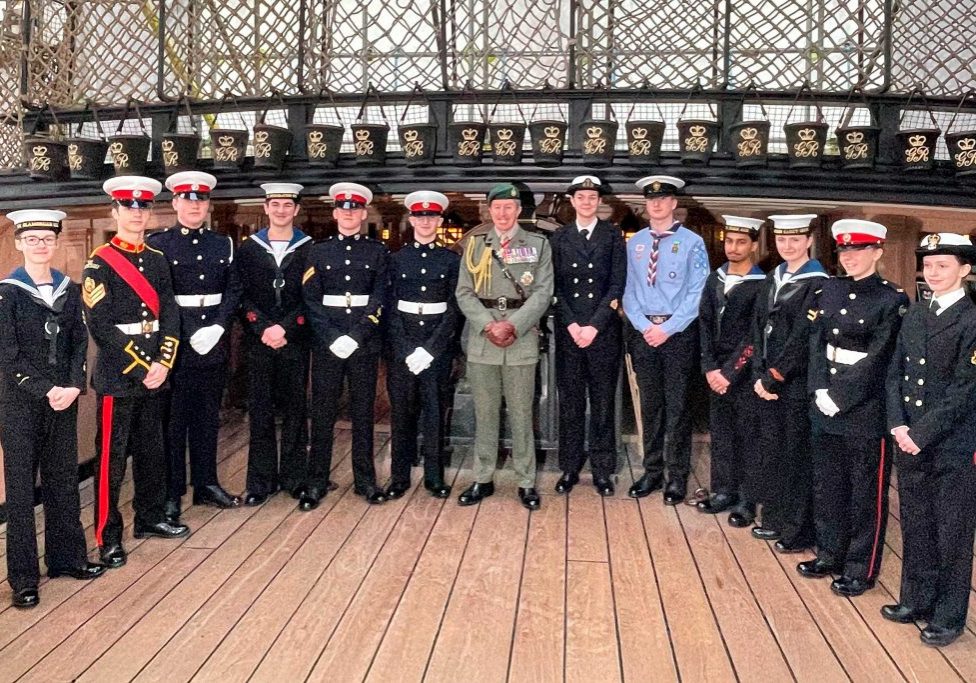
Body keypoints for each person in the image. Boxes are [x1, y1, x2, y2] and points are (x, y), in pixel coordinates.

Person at [0, 210, 106, 609]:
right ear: (19, 244)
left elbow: (80, 342)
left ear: (56, 242)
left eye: (47, 238)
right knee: (23, 492)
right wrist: (47, 389)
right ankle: (24, 579)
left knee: (62, 481)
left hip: (61, 398)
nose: (41, 245)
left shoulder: (69, 289)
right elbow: (7, 357)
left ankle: (68, 559)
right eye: (33, 239)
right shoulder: (7, 293)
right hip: (20, 404)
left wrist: (74, 385)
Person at [82, 177, 189, 569]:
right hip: (118, 377)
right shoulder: (99, 262)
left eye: (142, 208)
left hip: (155, 374)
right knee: (111, 461)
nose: (136, 214)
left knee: (152, 452)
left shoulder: (157, 259)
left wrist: (163, 362)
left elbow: (170, 314)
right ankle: (108, 538)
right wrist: (144, 367)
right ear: (115, 212)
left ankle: (150, 517)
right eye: (128, 208)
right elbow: (101, 324)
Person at [799, 220, 908, 597]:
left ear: (877, 252)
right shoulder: (828, 289)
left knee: (865, 495)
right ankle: (830, 554)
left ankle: (860, 569)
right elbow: (814, 344)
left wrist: (839, 397)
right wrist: (817, 390)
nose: (850, 257)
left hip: (863, 413)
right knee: (828, 488)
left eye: (858, 250)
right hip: (823, 403)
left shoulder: (892, 298)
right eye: (844, 251)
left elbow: (881, 358)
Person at [882, 232, 976, 647]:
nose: (933, 272)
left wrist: (919, 434)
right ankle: (915, 599)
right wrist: (899, 425)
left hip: (951, 443)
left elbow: (965, 390)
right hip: (910, 439)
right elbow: (896, 374)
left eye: (943, 265)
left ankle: (948, 616)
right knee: (917, 523)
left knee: (952, 531)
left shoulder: (972, 321)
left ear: (966, 270)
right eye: (928, 265)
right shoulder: (916, 313)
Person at [147, 171, 242, 522]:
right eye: (187, 200)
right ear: (174, 204)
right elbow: (158, 297)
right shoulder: (158, 244)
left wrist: (218, 326)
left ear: (208, 205)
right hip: (176, 346)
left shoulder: (224, 244)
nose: (194, 206)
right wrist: (183, 333)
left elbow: (234, 290)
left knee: (207, 419)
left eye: (200, 200)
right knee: (174, 423)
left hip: (213, 344)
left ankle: (207, 484)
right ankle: (173, 493)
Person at [454, 182, 554, 511]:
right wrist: (488, 325)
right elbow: (464, 292)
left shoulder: (539, 244)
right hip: (483, 340)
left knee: (523, 414)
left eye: (509, 207)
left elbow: (542, 292)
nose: (502, 212)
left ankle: (526, 481)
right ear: (489, 211)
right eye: (496, 207)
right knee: (484, 413)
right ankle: (482, 477)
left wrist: (512, 324)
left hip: (520, 338)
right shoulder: (474, 245)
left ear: (519, 210)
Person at [623, 175, 708, 504]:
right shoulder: (636, 243)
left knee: (678, 408)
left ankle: (676, 476)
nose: (656, 204)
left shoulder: (692, 243)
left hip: (678, 336)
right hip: (645, 333)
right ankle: (652, 471)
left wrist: (668, 328)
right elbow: (628, 289)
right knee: (651, 407)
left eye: (663, 199)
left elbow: (697, 291)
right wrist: (645, 325)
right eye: (651, 200)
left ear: (674, 204)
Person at [303, 182, 388, 507]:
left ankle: (365, 481)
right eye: (344, 209)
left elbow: (380, 296)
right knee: (322, 412)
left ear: (364, 213)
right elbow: (311, 299)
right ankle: (316, 481)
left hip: (363, 344)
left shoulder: (378, 252)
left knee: (363, 413)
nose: (349, 214)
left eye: (356, 209)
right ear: (336, 212)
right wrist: (332, 336)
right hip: (328, 345)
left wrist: (357, 335)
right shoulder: (318, 251)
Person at [750, 214, 827, 553]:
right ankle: (774, 518)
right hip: (765, 380)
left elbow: (802, 337)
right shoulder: (772, 277)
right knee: (772, 453)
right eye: (782, 239)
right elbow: (757, 328)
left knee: (795, 456)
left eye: (795, 239)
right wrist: (757, 372)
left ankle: (797, 529)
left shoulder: (818, 282)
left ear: (809, 241)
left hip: (792, 383)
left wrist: (775, 375)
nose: (788, 245)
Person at [238, 183, 314, 507]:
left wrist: (285, 328)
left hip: (295, 340)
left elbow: (313, 298)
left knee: (297, 410)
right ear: (266, 208)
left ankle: (295, 479)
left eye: (287, 204)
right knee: (260, 412)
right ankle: (260, 482)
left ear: (296, 209)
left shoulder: (310, 248)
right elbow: (240, 295)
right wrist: (263, 327)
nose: (281, 210)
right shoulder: (248, 249)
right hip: (259, 342)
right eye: (275, 204)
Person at [550, 176, 625, 496]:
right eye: (581, 197)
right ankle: (569, 467)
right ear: (572, 201)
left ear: (599, 202)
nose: (586, 202)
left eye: (592, 197)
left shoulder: (612, 236)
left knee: (603, 403)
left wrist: (594, 325)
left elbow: (617, 284)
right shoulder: (559, 237)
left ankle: (603, 469)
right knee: (570, 403)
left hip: (602, 332)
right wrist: (571, 324)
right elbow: (553, 286)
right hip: (570, 333)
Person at [384, 190, 460, 500]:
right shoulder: (396, 258)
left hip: (436, 348)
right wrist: (405, 348)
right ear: (411, 219)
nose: (425, 221)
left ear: (439, 220)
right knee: (401, 412)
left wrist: (431, 349)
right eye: (419, 216)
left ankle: (434, 477)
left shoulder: (451, 260)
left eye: (431, 216)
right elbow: (388, 307)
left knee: (434, 412)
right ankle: (399, 477)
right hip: (403, 347)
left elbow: (455, 308)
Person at [696, 216, 766, 522]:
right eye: (728, 241)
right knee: (721, 432)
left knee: (748, 435)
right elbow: (704, 323)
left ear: (753, 245)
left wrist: (729, 373)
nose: (733, 248)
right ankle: (722, 490)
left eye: (741, 242)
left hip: (743, 372)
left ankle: (747, 500)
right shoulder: (715, 278)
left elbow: (757, 333)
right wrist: (710, 368)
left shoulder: (762, 284)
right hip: (716, 374)